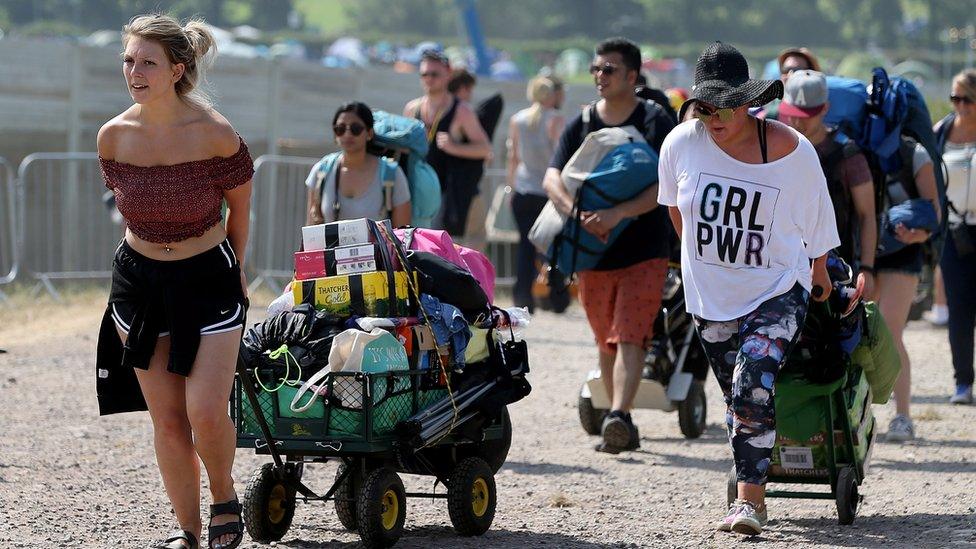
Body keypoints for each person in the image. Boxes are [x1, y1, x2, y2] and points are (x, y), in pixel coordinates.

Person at [657, 42, 837, 536]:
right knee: (739, 398)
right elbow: (677, 211)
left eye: (726, 106)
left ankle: (749, 503)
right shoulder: (679, 144)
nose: (714, 117)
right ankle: (755, 457)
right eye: (705, 106)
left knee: (750, 385)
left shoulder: (792, 150)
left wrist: (819, 272)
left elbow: (819, 221)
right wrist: (707, 263)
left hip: (778, 286)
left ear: (749, 103)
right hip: (709, 296)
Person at [95, 14, 252, 549]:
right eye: (128, 61)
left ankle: (225, 496)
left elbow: (240, 216)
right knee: (167, 420)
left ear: (177, 69)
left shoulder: (217, 134)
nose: (133, 72)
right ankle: (186, 531)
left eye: (147, 62)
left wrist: (241, 272)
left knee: (204, 410)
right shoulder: (112, 137)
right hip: (139, 283)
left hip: (208, 277)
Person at [543, 37, 675, 454]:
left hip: (646, 247)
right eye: (595, 70)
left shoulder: (655, 121)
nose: (600, 77)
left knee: (630, 334)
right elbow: (552, 177)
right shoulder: (582, 123)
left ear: (632, 77)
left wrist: (620, 214)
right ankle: (619, 417)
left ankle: (619, 415)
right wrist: (575, 215)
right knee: (605, 338)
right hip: (592, 253)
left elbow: (669, 183)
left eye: (609, 70)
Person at [780, 70, 877, 298]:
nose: (797, 121)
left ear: (825, 108)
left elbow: (867, 215)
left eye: (807, 114)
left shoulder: (847, 154)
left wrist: (867, 268)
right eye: (793, 113)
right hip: (783, 268)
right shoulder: (777, 146)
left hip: (837, 270)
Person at [875, 130, 940, 442]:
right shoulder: (852, 145)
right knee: (851, 334)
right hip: (862, 249)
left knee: (890, 332)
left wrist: (919, 236)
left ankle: (903, 416)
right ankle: (851, 416)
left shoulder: (914, 153)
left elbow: (933, 212)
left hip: (903, 254)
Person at [404, 50, 492, 236]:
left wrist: (454, 147)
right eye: (424, 74)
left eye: (434, 74)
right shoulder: (412, 109)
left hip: (447, 197)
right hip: (417, 194)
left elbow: (484, 149)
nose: (428, 79)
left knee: (444, 254)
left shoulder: (461, 111)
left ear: (448, 75)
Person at [506, 75, 565, 312]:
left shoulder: (517, 119)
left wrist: (510, 187)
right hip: (547, 191)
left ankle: (522, 295)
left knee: (525, 246)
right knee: (552, 245)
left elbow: (513, 158)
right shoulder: (556, 119)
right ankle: (554, 295)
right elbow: (561, 156)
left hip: (523, 188)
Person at [935, 69, 976, 405]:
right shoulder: (942, 132)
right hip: (954, 233)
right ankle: (962, 382)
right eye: (955, 98)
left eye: (967, 99)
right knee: (959, 311)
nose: (960, 106)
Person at [305, 102, 411, 227]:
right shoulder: (321, 172)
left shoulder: (392, 175)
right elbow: (311, 230)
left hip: (378, 247)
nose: (347, 134)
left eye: (355, 129)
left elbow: (402, 235)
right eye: (340, 129)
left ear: (369, 133)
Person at [762, 47, 822, 120]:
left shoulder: (822, 108)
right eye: (785, 70)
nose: (790, 75)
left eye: (797, 71)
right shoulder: (769, 111)